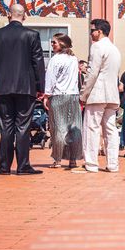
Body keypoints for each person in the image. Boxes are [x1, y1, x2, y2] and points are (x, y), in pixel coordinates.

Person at [0, 4, 46, 176]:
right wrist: (40, 87)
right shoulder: (32, 35)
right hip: (25, 87)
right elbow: (38, 64)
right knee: (23, 126)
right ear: (24, 16)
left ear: (8, 15)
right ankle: (23, 166)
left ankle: (4, 167)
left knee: (6, 126)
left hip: (3, 87)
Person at [79, 19, 121, 173]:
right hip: (112, 95)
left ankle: (91, 163)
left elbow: (92, 72)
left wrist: (83, 94)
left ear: (100, 31)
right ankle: (113, 164)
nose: (91, 34)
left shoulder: (97, 46)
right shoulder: (115, 49)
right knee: (111, 130)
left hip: (97, 93)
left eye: (92, 31)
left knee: (91, 128)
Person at [43, 33, 83, 169]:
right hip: (73, 96)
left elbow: (50, 79)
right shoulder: (74, 59)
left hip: (58, 96)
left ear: (62, 44)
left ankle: (58, 159)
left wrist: (46, 96)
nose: (52, 45)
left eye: (54, 42)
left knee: (58, 129)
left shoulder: (55, 59)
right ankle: (73, 160)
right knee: (74, 128)